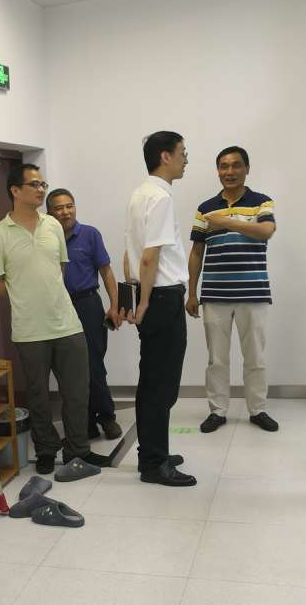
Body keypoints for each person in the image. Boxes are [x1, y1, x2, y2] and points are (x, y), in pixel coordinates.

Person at [0, 164, 110, 475]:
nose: (41, 189)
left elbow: (60, 269)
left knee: (77, 392)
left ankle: (78, 450)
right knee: (39, 396)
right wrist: (24, 295)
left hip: (67, 324)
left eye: (43, 184)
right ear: (15, 191)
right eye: (34, 184)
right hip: (29, 330)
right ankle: (45, 450)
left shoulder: (52, 225)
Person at [123, 132, 198, 487]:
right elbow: (149, 256)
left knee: (153, 382)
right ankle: (154, 464)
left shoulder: (140, 194)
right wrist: (145, 303)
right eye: (183, 152)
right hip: (162, 298)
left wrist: (135, 295)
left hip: (153, 295)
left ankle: (153, 452)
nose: (186, 159)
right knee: (160, 386)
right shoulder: (160, 197)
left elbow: (130, 252)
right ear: (165, 156)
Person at [187, 146, 279, 433]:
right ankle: (218, 411)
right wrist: (192, 293)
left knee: (255, 357)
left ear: (247, 168)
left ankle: (257, 410)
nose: (230, 171)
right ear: (218, 171)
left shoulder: (261, 202)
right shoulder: (205, 208)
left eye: (236, 165)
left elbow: (266, 231)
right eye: (224, 166)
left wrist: (226, 222)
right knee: (216, 359)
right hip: (215, 294)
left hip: (253, 293)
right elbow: (196, 253)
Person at [46, 187, 123, 440]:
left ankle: (107, 417)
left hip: (87, 304)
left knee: (93, 364)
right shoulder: (45, 238)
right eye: (59, 208)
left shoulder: (90, 234)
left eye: (69, 206)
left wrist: (114, 306)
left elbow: (106, 271)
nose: (65, 212)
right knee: (69, 368)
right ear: (49, 212)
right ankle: (85, 421)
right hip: (58, 307)